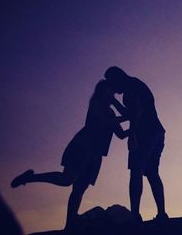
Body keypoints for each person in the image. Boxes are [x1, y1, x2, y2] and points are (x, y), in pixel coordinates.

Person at [10, 80, 129, 229]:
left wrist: (130, 120)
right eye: (109, 90)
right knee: (67, 179)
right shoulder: (96, 105)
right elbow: (106, 122)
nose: (112, 93)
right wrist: (128, 116)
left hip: (96, 154)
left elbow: (121, 134)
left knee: (79, 189)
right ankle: (31, 177)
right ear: (101, 91)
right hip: (83, 147)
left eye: (112, 91)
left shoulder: (111, 112)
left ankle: (69, 225)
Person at [104, 66, 168, 222]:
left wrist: (132, 135)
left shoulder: (130, 89)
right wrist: (113, 101)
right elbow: (130, 113)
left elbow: (137, 112)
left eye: (111, 83)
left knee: (136, 171)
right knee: (152, 173)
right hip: (157, 132)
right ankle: (161, 213)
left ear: (117, 78)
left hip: (145, 133)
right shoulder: (136, 85)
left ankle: (135, 215)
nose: (112, 87)